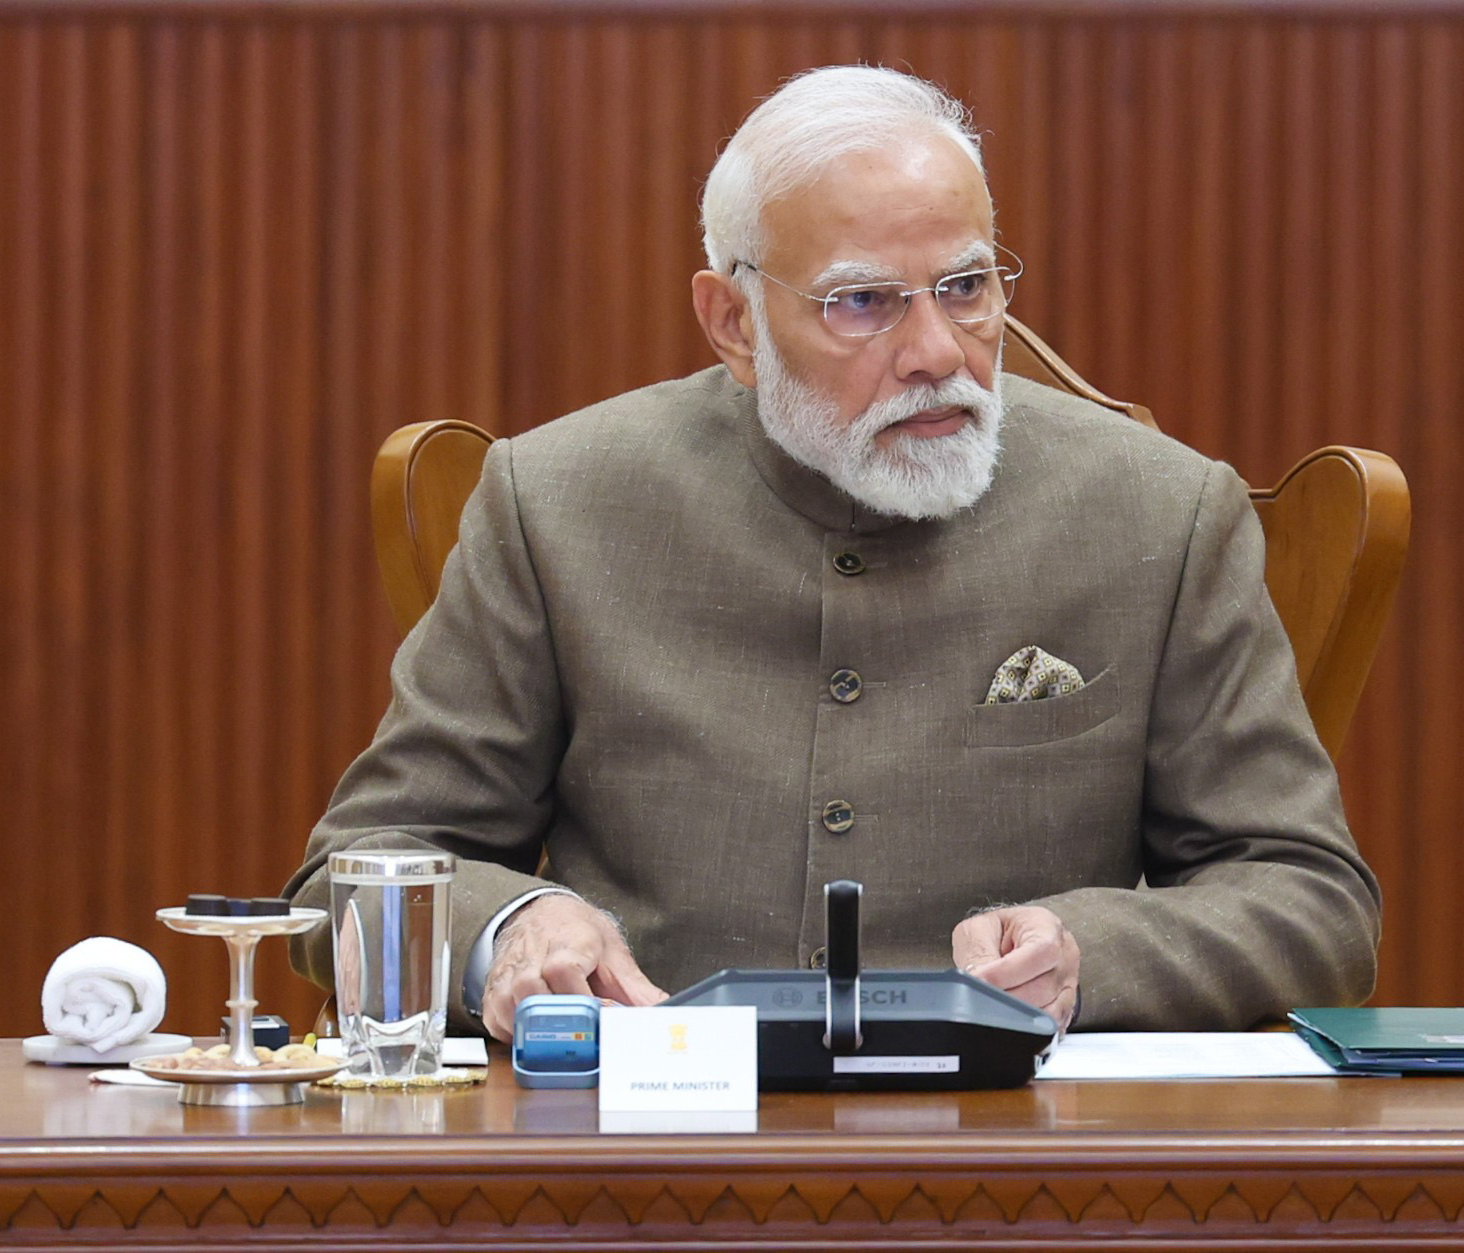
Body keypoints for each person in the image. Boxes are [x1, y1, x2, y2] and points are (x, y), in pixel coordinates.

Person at [285, 65, 1380, 1042]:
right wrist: (516, 927)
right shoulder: (558, 503)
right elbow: (350, 874)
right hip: (651, 1145)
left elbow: (1309, 898)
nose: (936, 351)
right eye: (863, 303)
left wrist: (1089, 953)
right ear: (733, 321)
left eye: (965, 287)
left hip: (1017, 1155)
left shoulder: (1160, 513)